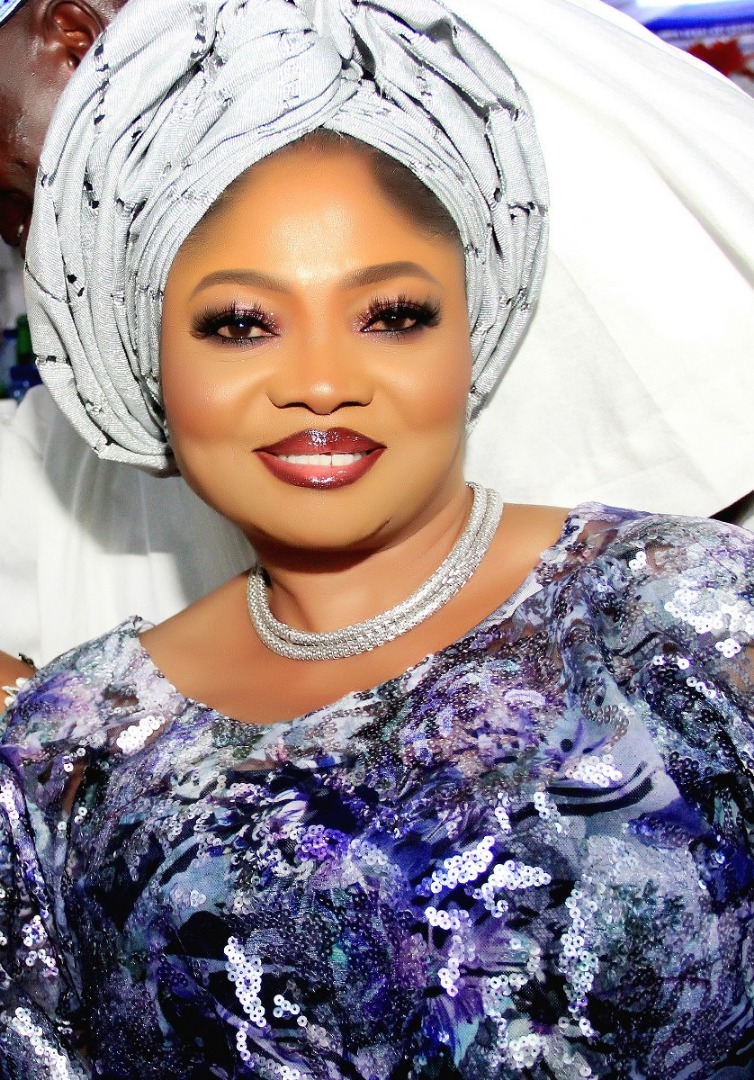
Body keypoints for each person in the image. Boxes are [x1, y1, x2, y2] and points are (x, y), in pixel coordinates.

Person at [2, 0, 753, 1074]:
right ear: (146, 360)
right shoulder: (66, 757)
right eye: (239, 324)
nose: (321, 383)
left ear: (474, 332)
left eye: (393, 315)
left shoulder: (683, 616)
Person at [2, 0, 754, 683]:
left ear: (73, 37)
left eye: (393, 317)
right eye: (240, 327)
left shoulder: (405, 83)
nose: (28, 241)